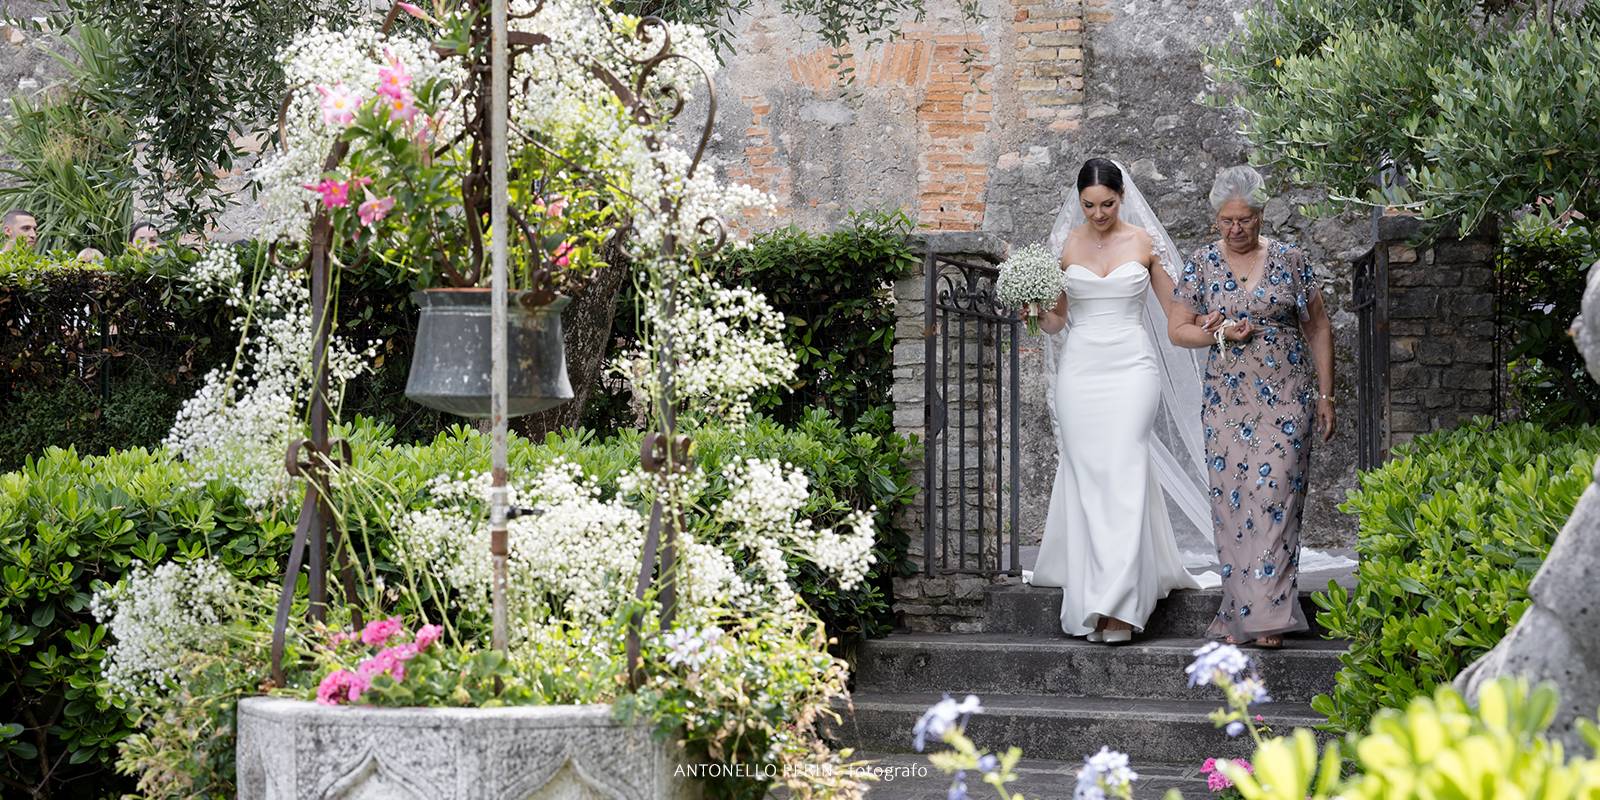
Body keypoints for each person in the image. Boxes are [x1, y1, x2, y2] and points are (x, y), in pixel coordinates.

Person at [1023, 158, 1215, 643]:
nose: (1098, 213)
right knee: (1090, 478)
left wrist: (1211, 324)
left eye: (1106, 204)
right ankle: (1098, 592)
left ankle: (1122, 606)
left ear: (1121, 197)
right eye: (1089, 205)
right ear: (1078, 201)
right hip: (1081, 370)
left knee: (1127, 468)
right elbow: (1056, 322)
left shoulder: (1143, 243)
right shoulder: (1067, 245)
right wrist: (1034, 308)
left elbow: (1178, 311)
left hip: (1132, 367)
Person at [1167, 165, 1336, 648]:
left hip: (1286, 395)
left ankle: (1266, 616)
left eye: (1245, 220)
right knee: (1234, 504)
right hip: (1227, 400)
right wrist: (1217, 331)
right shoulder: (1201, 264)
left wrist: (1326, 395)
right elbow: (1179, 331)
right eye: (1226, 220)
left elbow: (1319, 326)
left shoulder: (1291, 260)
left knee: (1275, 496)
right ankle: (1246, 610)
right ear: (1215, 219)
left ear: (1261, 216)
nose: (1235, 229)